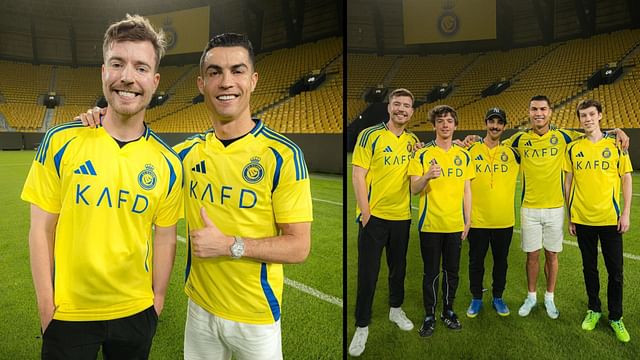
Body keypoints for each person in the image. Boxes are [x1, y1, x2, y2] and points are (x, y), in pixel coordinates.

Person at [78, 33, 312, 359]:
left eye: (237, 70)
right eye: (215, 72)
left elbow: (299, 246)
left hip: (256, 319)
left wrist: (231, 245)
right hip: (199, 311)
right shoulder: (185, 155)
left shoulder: (283, 155)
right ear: (201, 83)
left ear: (254, 80)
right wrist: (102, 120)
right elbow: (136, 159)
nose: (226, 81)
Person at [21, 14, 183, 359]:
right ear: (103, 72)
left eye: (140, 68)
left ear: (154, 82)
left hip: (136, 312)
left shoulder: (168, 163)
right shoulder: (62, 140)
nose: (128, 77)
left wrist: (157, 300)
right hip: (68, 313)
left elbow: (166, 235)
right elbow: (40, 228)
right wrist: (47, 307)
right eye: (117, 63)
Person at [463, 95, 628, 320]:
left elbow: (592, 133)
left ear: (550, 112)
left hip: (555, 208)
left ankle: (549, 298)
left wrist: (616, 131)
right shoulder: (519, 140)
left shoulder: (563, 136)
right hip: (529, 208)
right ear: (529, 113)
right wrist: (465, 140)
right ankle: (531, 297)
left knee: (552, 255)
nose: (538, 113)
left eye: (542, 109)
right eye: (534, 109)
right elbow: (493, 143)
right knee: (532, 256)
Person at [348, 88, 419, 357]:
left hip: (402, 217)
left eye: (407, 106)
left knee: (398, 270)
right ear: (389, 107)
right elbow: (358, 175)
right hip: (374, 219)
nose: (401, 109)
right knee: (368, 274)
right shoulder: (370, 135)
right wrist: (366, 214)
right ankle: (362, 325)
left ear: (412, 112)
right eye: (397, 104)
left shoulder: (413, 141)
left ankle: (396, 310)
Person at [563, 99, 632, 342]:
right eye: (583, 115)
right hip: (582, 219)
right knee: (589, 268)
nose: (588, 119)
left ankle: (616, 317)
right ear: (579, 119)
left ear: (600, 115)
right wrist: (570, 215)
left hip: (610, 219)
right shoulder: (573, 148)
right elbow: (568, 181)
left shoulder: (616, 145)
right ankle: (594, 309)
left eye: (592, 114)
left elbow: (626, 178)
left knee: (616, 272)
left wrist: (626, 213)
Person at [408, 105, 474, 337]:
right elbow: (414, 189)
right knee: (431, 273)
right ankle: (429, 314)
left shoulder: (463, 156)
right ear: (434, 125)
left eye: (449, 120)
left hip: (455, 225)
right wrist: (426, 176)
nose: (445, 124)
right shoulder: (422, 154)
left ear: (455, 125)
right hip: (431, 225)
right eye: (440, 121)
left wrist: (468, 221)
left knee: (452, 272)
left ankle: (448, 310)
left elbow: (467, 190)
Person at [465, 108, 520, 318]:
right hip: (477, 220)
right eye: (491, 121)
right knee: (475, 261)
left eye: (499, 122)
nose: (495, 126)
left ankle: (498, 296)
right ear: (485, 123)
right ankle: (476, 298)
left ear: (504, 126)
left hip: (503, 220)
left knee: (501, 261)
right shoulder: (470, 150)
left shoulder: (513, 153)